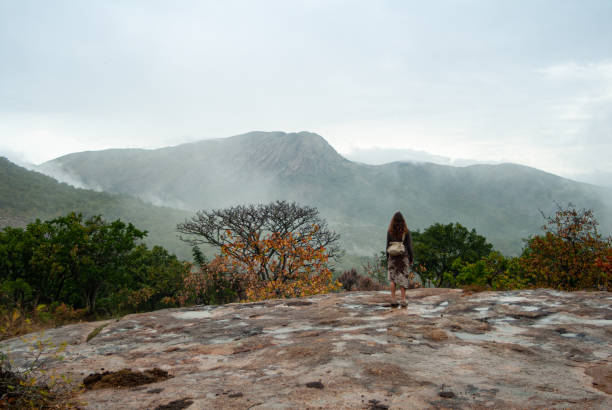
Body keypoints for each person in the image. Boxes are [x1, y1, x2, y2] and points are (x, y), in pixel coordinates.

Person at [386, 211, 415, 307]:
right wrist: (411, 258)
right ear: (403, 221)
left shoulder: (390, 231)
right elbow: (409, 246)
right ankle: (403, 300)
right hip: (403, 258)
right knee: (403, 278)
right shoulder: (406, 232)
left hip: (392, 258)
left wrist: (387, 258)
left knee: (392, 279)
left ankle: (393, 299)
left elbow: (387, 246)